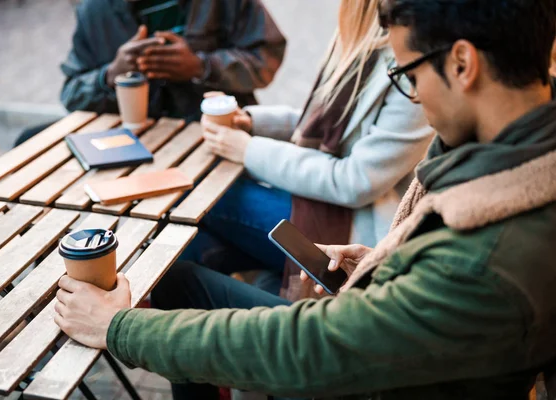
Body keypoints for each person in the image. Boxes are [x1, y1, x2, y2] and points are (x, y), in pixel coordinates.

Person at [54, 0, 556, 399]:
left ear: (463, 62)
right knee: (188, 261)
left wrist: (117, 327)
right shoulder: (507, 155)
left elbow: (305, 347)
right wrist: (378, 261)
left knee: (191, 245)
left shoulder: (486, 262)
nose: (415, 96)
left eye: (409, 75)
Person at [182, 0, 433, 298]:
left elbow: (355, 181)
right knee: (191, 244)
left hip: (352, 226)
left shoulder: (411, 63)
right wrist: (252, 121)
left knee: (202, 196)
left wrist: (248, 150)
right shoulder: (355, 40)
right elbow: (321, 121)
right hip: (318, 202)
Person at [14, 0, 286, 146]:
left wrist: (201, 66)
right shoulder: (95, 10)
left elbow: (267, 58)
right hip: (130, 137)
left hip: (209, 135)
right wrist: (110, 75)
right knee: (28, 141)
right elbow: (72, 94)